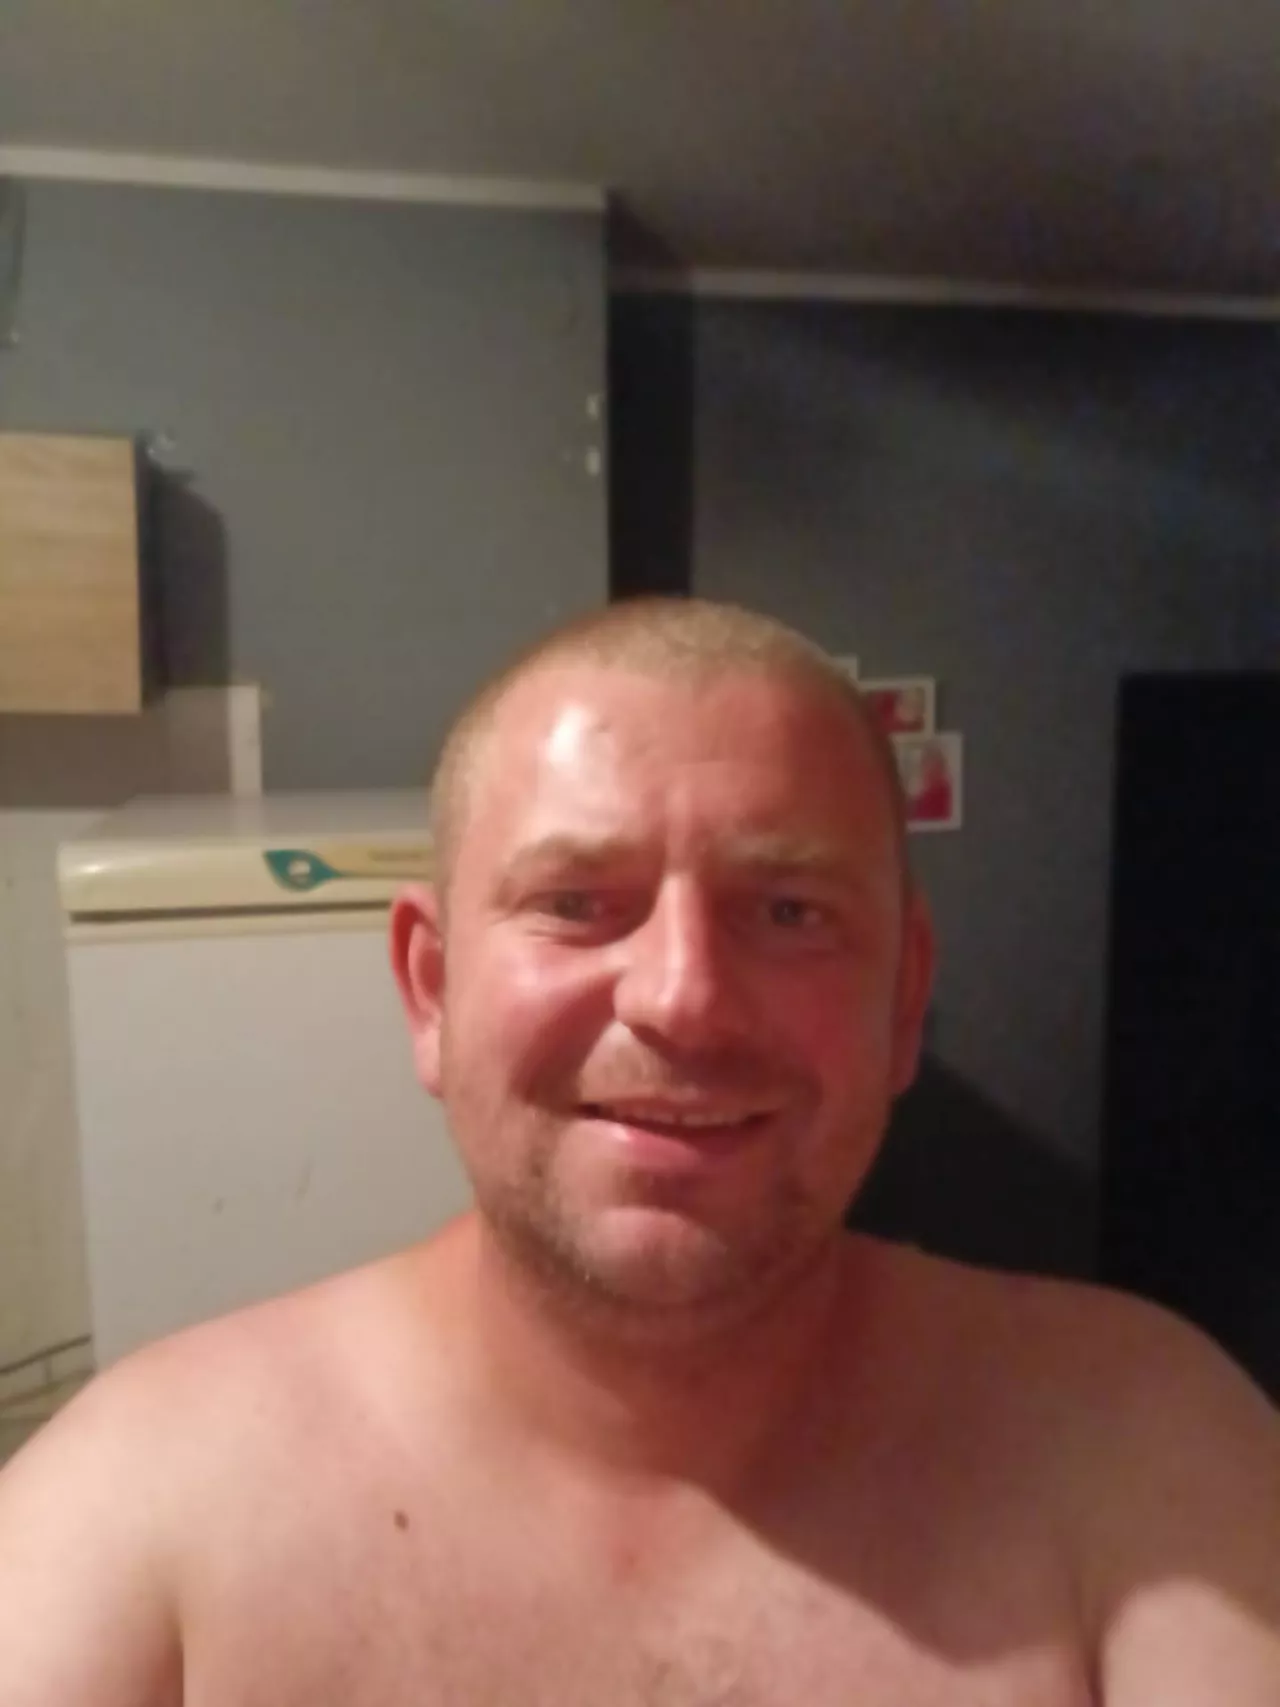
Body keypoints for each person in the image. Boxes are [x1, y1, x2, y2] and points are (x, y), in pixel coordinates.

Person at [0, 596, 1277, 1706]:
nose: (682, 999)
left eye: (787, 910)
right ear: (431, 990)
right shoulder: (144, 1506)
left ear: (902, 1001)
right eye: (574, 904)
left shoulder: (1142, 1456)